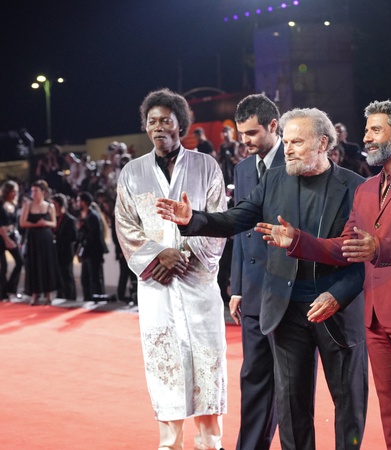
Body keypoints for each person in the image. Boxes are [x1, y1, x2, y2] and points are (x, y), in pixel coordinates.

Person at [156, 107, 368, 450]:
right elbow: (236, 219)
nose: (288, 149)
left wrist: (338, 296)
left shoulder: (357, 187)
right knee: (292, 409)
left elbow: (361, 258)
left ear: (322, 143)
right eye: (287, 141)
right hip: (286, 311)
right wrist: (193, 219)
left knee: (349, 408)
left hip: (337, 313)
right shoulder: (274, 179)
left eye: (298, 142)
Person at [256, 101, 391, 450]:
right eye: (367, 129)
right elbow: (345, 246)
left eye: (376, 130)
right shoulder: (367, 188)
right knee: (390, 408)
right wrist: (297, 241)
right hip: (374, 314)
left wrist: (377, 248)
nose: (367, 137)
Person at [115, 88, 228, 450]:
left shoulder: (206, 166)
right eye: (152, 121)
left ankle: (210, 441)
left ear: (181, 124)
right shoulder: (132, 173)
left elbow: (218, 219)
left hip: (198, 282)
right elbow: (125, 226)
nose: (158, 127)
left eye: (166, 120)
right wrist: (158, 257)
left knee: (208, 361)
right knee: (164, 360)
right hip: (156, 286)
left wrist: (182, 256)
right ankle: (170, 442)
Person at [228, 93, 285, 450]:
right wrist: (236, 287)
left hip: (288, 292)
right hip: (251, 291)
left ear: (273, 126)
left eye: (251, 133)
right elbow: (239, 229)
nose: (245, 141)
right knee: (252, 377)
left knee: (289, 384)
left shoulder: (296, 160)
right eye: (241, 134)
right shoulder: (243, 169)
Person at [19, 180, 58, 306]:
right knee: (34, 265)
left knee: (47, 265)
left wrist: (45, 223)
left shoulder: (50, 206)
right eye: (32, 191)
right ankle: (34, 295)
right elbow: (22, 223)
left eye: (36, 191)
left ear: (43, 192)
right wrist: (36, 224)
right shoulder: (28, 205)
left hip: (46, 239)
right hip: (33, 239)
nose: (33, 193)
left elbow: (54, 223)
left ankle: (48, 295)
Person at [76, 192, 109, 302]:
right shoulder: (84, 215)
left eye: (79, 201)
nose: (77, 203)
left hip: (93, 251)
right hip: (87, 251)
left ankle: (98, 298)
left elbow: (92, 235)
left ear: (84, 202)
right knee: (85, 277)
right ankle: (88, 298)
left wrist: (81, 228)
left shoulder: (93, 216)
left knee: (95, 277)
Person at [51, 193, 78, 301]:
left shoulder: (70, 219)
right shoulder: (53, 218)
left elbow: (73, 237)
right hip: (55, 251)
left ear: (58, 204)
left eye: (53, 203)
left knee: (67, 274)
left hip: (66, 251)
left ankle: (70, 296)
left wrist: (60, 238)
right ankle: (60, 294)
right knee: (57, 274)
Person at [0, 181, 23, 302]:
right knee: (3, 266)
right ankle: (2, 293)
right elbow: (1, 226)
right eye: (13, 191)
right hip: (2, 238)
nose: (15, 193)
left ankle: (11, 289)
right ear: (7, 191)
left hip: (12, 236)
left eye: (16, 191)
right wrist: (7, 240)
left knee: (20, 262)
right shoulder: (1, 204)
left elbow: (14, 223)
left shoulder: (14, 204)